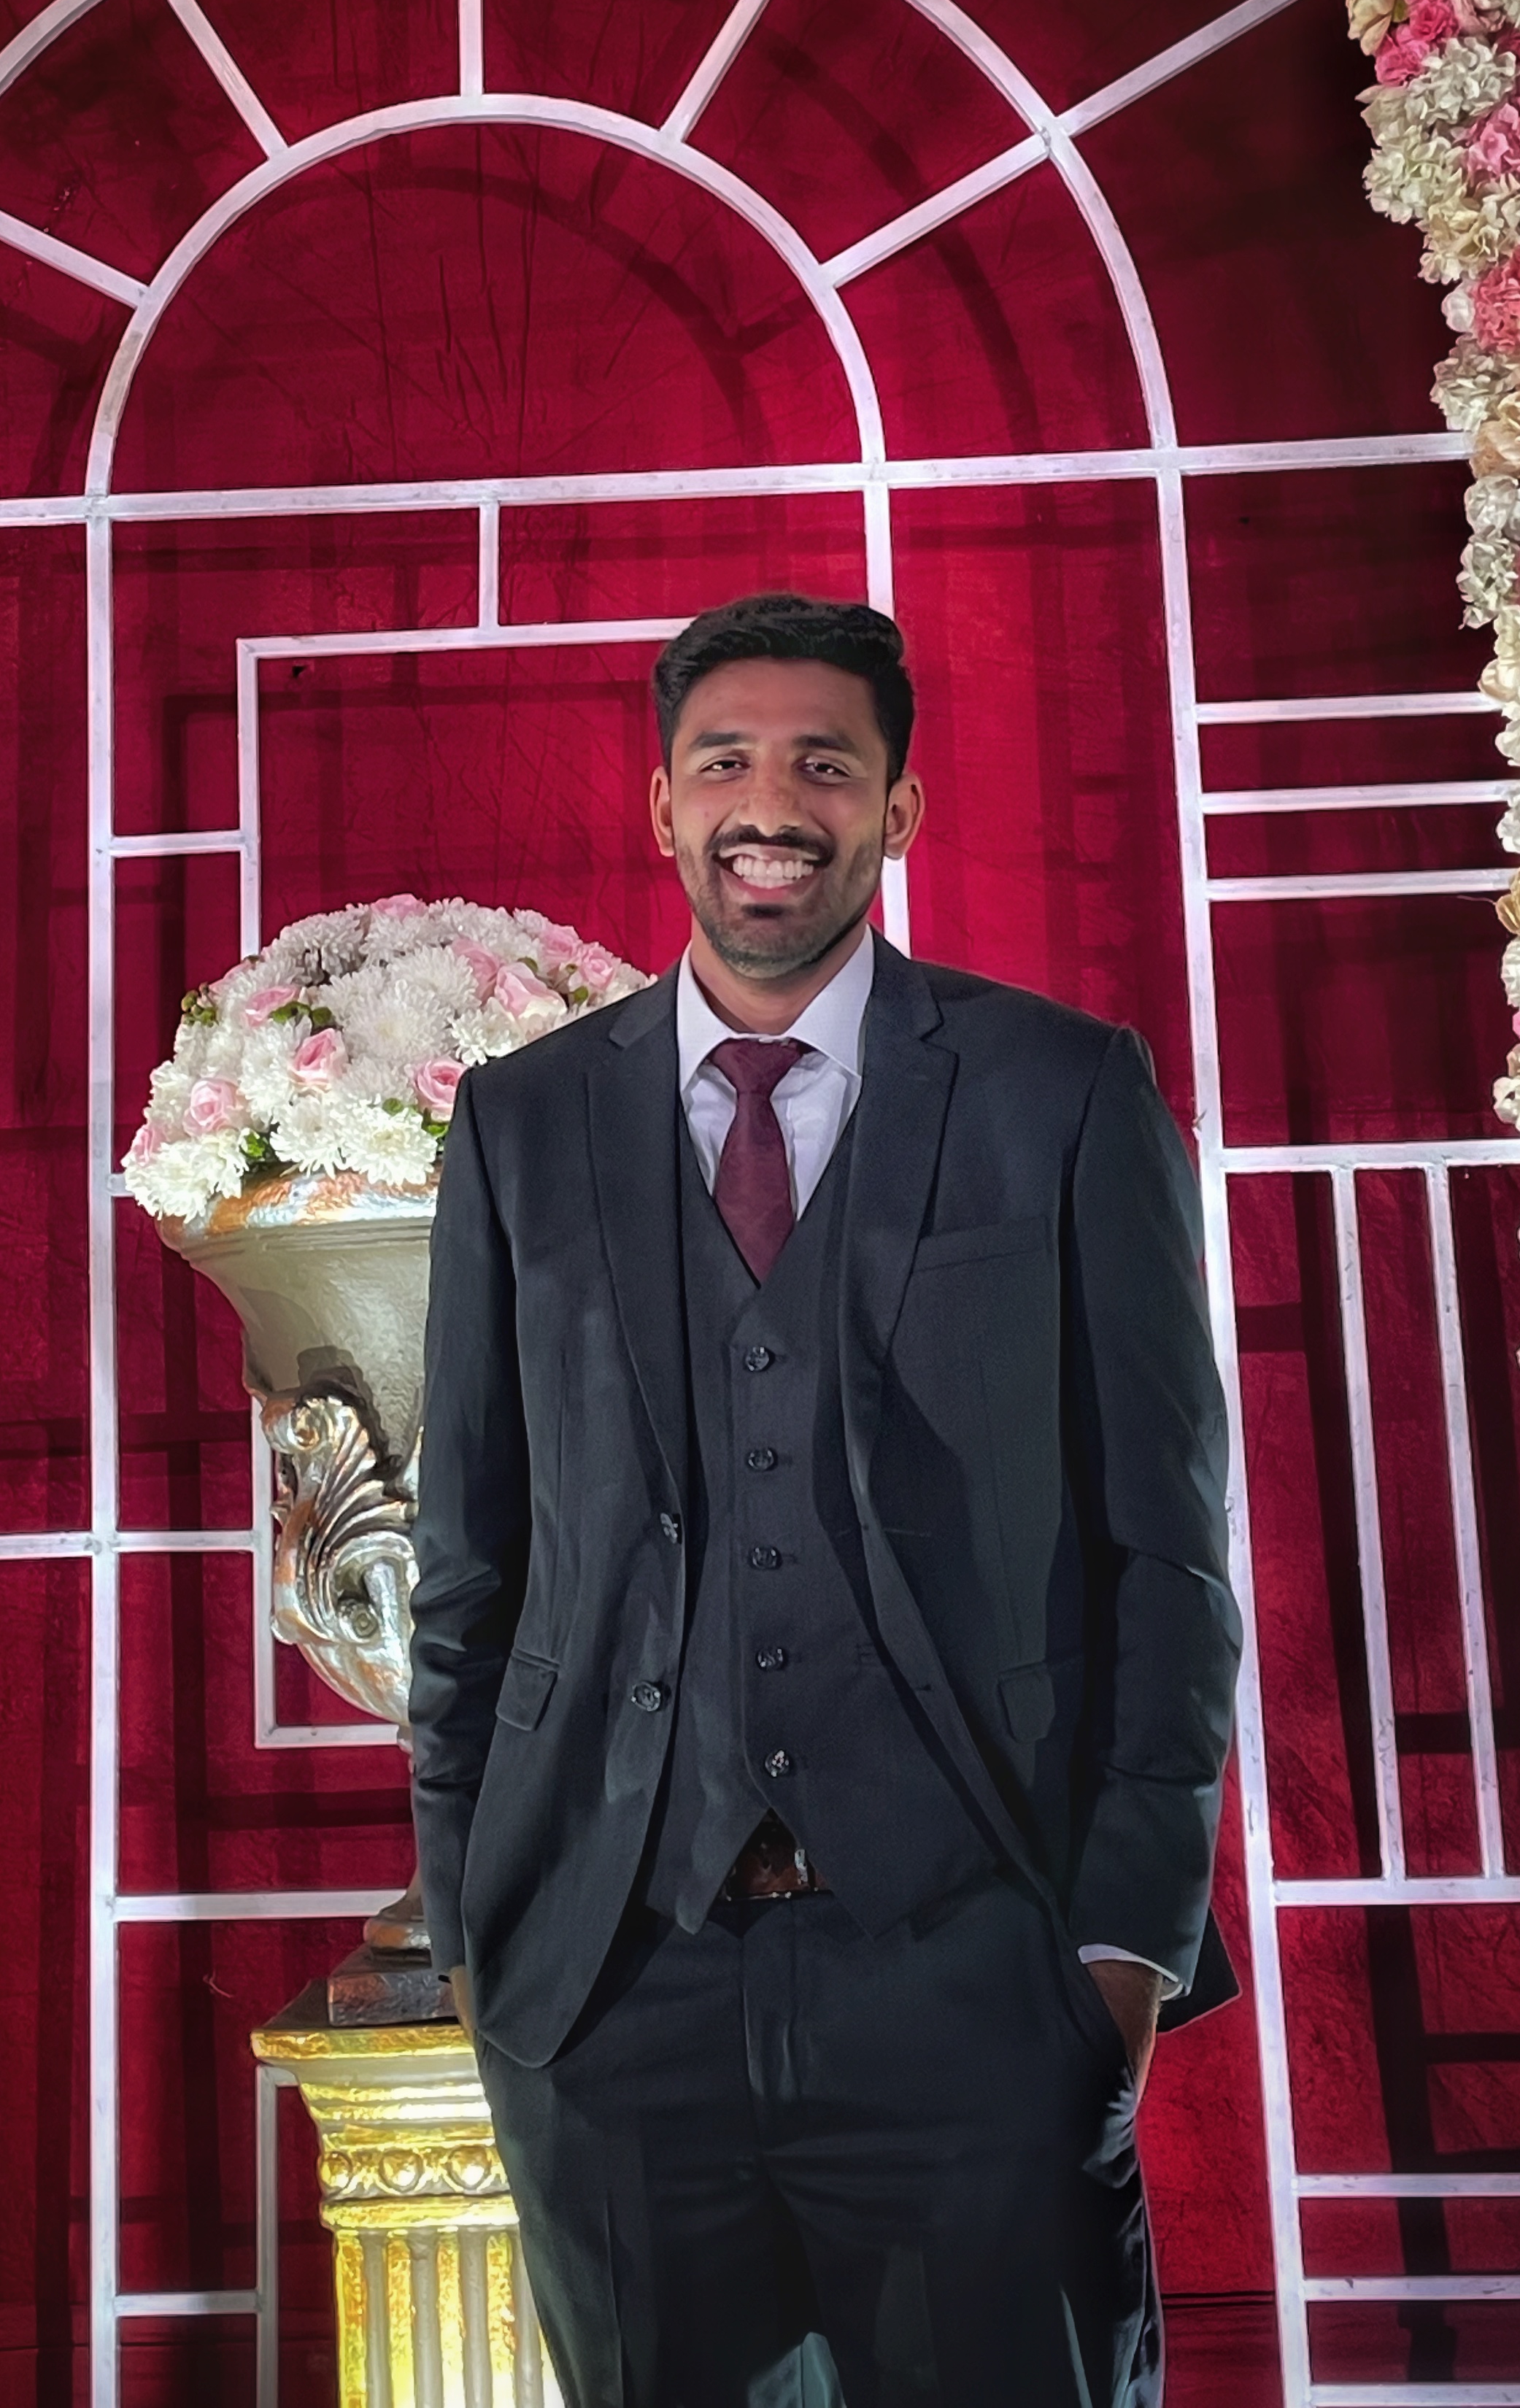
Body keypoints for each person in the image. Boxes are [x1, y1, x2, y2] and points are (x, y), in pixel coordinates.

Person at [407, 593, 1241, 2408]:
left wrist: (1118, 1954)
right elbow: (471, 1562)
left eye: (824, 765)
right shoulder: (521, 1124)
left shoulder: (1060, 1092)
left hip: (978, 1968)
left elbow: (1170, 1558)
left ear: (897, 808)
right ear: (664, 807)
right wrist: (481, 1934)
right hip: (616, 1990)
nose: (770, 805)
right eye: (725, 761)